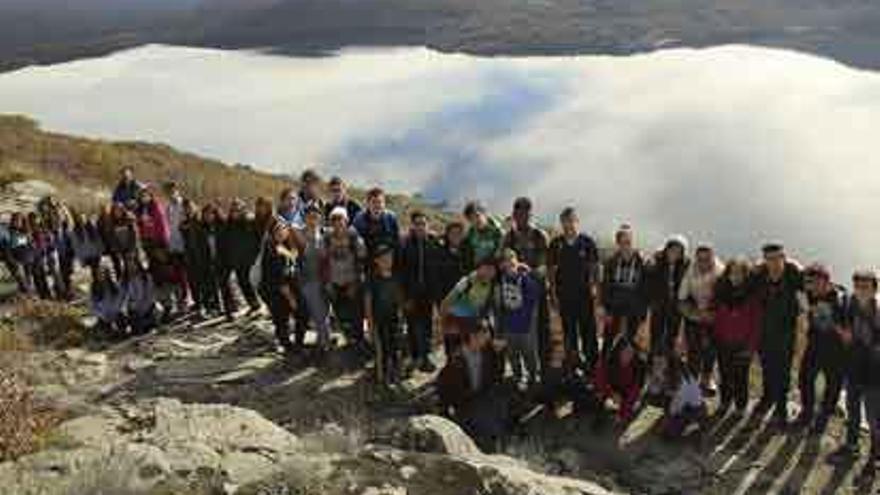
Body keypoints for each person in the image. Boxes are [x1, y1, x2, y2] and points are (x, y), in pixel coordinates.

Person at [752, 243, 804, 427]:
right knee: (766, 367)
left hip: (785, 332)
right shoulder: (759, 276)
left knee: (783, 371)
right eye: (769, 259)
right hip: (764, 330)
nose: (773, 263)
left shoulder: (793, 275)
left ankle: (781, 407)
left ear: (784, 258)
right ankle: (767, 398)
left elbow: (811, 287)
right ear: (764, 260)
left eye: (777, 258)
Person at [437, 320, 508, 451]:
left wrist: (500, 354)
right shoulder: (456, 359)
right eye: (484, 336)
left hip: (482, 398)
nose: (487, 340)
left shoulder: (488, 353)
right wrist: (446, 410)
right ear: (473, 336)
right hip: (464, 404)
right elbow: (444, 387)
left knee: (494, 425)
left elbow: (497, 375)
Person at [833, 270, 880, 467]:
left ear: (874, 289)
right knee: (852, 411)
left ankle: (875, 455)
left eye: (866, 287)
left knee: (874, 417)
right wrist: (842, 331)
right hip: (853, 368)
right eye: (858, 286)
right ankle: (852, 446)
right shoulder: (849, 304)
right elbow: (837, 318)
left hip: (874, 374)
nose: (861, 291)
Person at [794, 263, 846, 433]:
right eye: (809, 282)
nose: (812, 286)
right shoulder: (808, 294)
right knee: (804, 378)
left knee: (833, 384)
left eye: (816, 282)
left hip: (836, 350)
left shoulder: (840, 299)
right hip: (815, 344)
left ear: (826, 282)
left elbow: (848, 328)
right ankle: (807, 412)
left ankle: (824, 416)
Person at [548, 207, 600, 371]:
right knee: (569, 332)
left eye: (571, 221)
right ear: (561, 223)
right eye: (565, 221)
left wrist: (596, 289)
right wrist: (553, 293)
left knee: (588, 330)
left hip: (584, 295)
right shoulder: (556, 244)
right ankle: (572, 364)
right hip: (564, 295)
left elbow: (595, 268)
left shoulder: (587, 242)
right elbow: (551, 271)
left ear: (577, 222)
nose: (569, 225)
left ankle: (592, 365)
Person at [502, 197, 550, 369]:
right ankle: (523, 370)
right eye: (518, 213)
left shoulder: (540, 235)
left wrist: (527, 271)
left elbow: (544, 265)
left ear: (531, 214)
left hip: (536, 291)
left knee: (541, 330)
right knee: (520, 332)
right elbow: (504, 261)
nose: (522, 217)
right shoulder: (509, 237)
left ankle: (544, 368)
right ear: (514, 215)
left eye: (525, 213)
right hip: (515, 293)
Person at [713, 258, 761, 416]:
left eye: (739, 273)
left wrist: (750, 347)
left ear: (746, 276)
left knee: (741, 377)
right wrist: (716, 339)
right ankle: (725, 402)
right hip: (723, 343)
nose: (735, 277)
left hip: (743, 344)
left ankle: (740, 406)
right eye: (732, 273)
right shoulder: (722, 293)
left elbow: (756, 324)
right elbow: (717, 320)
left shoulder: (752, 297)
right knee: (725, 375)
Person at [645, 235, 689, 398]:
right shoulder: (658, 263)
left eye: (678, 251)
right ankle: (655, 378)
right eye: (672, 249)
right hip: (659, 309)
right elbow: (648, 279)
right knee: (656, 342)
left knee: (672, 344)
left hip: (676, 312)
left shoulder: (685, 266)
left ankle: (671, 379)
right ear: (667, 249)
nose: (674, 254)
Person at [678, 244, 725, 395]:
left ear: (713, 258)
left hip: (714, 313)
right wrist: (694, 314)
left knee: (711, 349)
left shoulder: (721, 271)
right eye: (700, 260)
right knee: (693, 349)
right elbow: (682, 298)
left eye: (707, 259)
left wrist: (713, 315)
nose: (703, 263)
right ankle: (691, 381)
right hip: (695, 311)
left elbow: (727, 298)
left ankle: (707, 378)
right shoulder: (691, 270)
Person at [495, 248, 541, 388]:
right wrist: (500, 328)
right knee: (512, 355)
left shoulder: (525, 278)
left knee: (529, 354)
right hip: (509, 327)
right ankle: (517, 377)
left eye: (511, 258)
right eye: (505, 260)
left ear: (517, 261)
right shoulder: (500, 281)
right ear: (501, 265)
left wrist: (527, 274)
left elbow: (535, 296)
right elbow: (499, 306)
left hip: (526, 326)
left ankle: (533, 377)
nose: (509, 262)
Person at [324, 207, 368, 351]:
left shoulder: (354, 238)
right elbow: (323, 261)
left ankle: (359, 340)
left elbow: (362, 262)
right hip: (334, 282)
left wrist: (356, 282)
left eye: (340, 219)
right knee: (340, 313)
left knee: (356, 314)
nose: (337, 222)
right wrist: (328, 282)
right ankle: (349, 339)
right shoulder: (327, 237)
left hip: (351, 282)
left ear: (346, 220)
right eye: (334, 219)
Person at [400, 210, 438, 373]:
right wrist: (404, 296)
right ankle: (415, 356)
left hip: (428, 293)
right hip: (411, 293)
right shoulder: (405, 244)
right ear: (412, 226)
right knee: (412, 326)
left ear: (428, 225)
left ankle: (426, 356)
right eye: (417, 224)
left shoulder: (433, 242)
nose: (421, 227)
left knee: (427, 325)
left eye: (423, 223)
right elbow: (401, 271)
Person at [601, 224, 649, 348]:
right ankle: (606, 359)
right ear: (618, 243)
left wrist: (643, 314)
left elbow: (646, 288)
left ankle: (631, 360)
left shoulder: (642, 261)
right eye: (622, 242)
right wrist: (607, 309)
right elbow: (606, 286)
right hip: (615, 305)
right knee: (609, 337)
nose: (626, 246)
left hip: (634, 307)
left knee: (632, 340)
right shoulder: (611, 262)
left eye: (628, 242)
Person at [440, 256, 498, 357]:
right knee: (457, 353)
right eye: (486, 268)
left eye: (492, 270)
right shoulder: (468, 281)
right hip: (457, 320)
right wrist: (443, 322)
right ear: (479, 268)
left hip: (474, 321)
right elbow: (448, 300)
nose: (489, 273)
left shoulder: (492, 285)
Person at [365, 243, 405, 385]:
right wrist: (370, 323)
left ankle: (395, 374)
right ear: (376, 261)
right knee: (381, 349)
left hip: (393, 319)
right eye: (383, 258)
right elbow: (368, 301)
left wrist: (401, 315)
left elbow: (399, 297)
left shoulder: (396, 276)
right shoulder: (372, 278)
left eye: (390, 257)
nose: (387, 261)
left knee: (395, 348)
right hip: (379, 320)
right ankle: (381, 378)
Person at [259, 222, 300, 356]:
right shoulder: (271, 249)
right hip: (275, 290)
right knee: (281, 318)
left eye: (283, 230)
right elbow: (279, 279)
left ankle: (286, 342)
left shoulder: (286, 246)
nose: (281, 233)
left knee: (284, 317)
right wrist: (291, 298)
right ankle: (285, 344)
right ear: (272, 233)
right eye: (277, 231)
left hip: (284, 287)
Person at [298, 204, 332, 353]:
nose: (312, 219)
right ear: (304, 218)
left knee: (324, 313)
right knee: (319, 314)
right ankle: (324, 344)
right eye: (309, 216)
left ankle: (323, 339)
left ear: (320, 217)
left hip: (325, 280)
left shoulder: (325, 233)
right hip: (308, 280)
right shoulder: (299, 234)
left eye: (315, 216)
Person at [219, 198, 263, 316]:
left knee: (247, 283)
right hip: (233, 259)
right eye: (233, 210)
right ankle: (249, 305)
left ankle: (256, 305)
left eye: (238, 210)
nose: (235, 213)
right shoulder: (228, 224)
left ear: (243, 210)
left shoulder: (250, 222)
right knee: (240, 283)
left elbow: (258, 240)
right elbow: (224, 241)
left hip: (248, 259)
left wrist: (254, 256)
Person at [180, 199, 220, 318]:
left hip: (205, 257)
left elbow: (208, 240)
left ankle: (213, 305)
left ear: (195, 207)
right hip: (191, 256)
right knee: (194, 282)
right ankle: (199, 304)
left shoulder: (200, 221)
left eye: (190, 208)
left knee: (209, 283)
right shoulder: (185, 223)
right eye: (186, 209)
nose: (188, 210)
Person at [662, 343, 708, 439]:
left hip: (694, 411)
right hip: (694, 407)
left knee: (669, 433)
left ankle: (693, 425)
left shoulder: (680, 383)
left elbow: (674, 407)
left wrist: (668, 418)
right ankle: (691, 425)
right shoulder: (685, 374)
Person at [164, 182, 191, 311]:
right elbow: (169, 226)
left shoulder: (184, 203)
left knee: (187, 273)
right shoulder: (168, 207)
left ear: (177, 190)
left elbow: (192, 219)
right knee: (178, 274)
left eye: (172, 191)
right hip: (174, 244)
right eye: (168, 192)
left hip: (186, 244)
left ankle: (188, 299)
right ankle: (182, 299)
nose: (171, 194)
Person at [353, 187, 400, 258]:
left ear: (384, 204)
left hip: (385, 253)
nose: (377, 205)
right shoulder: (359, 218)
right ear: (368, 204)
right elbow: (353, 237)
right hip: (366, 252)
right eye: (374, 202)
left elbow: (397, 239)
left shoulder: (391, 217)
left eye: (380, 202)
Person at [432, 221, 468, 307]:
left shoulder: (467, 253)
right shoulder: (439, 253)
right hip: (445, 299)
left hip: (464, 299)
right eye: (453, 233)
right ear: (447, 235)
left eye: (459, 233)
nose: (456, 236)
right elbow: (435, 278)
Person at [462, 201, 503, 272]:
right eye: (471, 218)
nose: (476, 220)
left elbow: (500, 251)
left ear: (485, 214)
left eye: (477, 216)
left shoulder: (498, 231)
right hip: (477, 269)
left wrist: (487, 264)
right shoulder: (471, 233)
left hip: (496, 267)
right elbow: (468, 254)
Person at [104, 202, 139, 279]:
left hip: (130, 247)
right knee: (122, 266)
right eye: (115, 211)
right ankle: (125, 281)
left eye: (119, 210)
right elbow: (111, 237)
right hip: (120, 248)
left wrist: (132, 248)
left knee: (132, 265)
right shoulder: (111, 222)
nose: (117, 212)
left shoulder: (129, 219)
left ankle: (136, 280)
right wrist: (116, 249)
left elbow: (134, 234)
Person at [90, 267, 127, 337]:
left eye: (104, 273)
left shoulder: (113, 285)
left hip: (115, 313)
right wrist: (102, 315)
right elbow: (93, 306)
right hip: (103, 316)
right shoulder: (94, 288)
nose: (102, 276)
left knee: (122, 321)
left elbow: (119, 299)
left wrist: (115, 311)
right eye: (100, 274)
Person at [124, 261, 159, 335]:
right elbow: (130, 297)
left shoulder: (148, 277)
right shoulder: (129, 281)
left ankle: (149, 325)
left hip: (147, 306)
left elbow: (151, 293)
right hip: (136, 308)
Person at [69, 210, 105, 280]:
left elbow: (98, 240)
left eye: (84, 218)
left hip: (95, 254)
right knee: (90, 275)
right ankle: (95, 283)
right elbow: (75, 246)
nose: (82, 220)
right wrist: (80, 258)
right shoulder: (76, 231)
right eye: (80, 219)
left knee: (97, 272)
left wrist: (100, 250)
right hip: (85, 256)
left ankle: (100, 283)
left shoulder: (92, 228)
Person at [6, 212, 34, 293]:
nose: (16, 222)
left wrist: (25, 239)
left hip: (27, 258)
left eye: (18, 221)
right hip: (17, 260)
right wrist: (24, 239)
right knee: (22, 282)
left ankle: (29, 293)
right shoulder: (10, 231)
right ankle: (26, 292)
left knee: (28, 281)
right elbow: (13, 243)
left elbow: (30, 242)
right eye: (15, 220)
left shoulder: (25, 230)